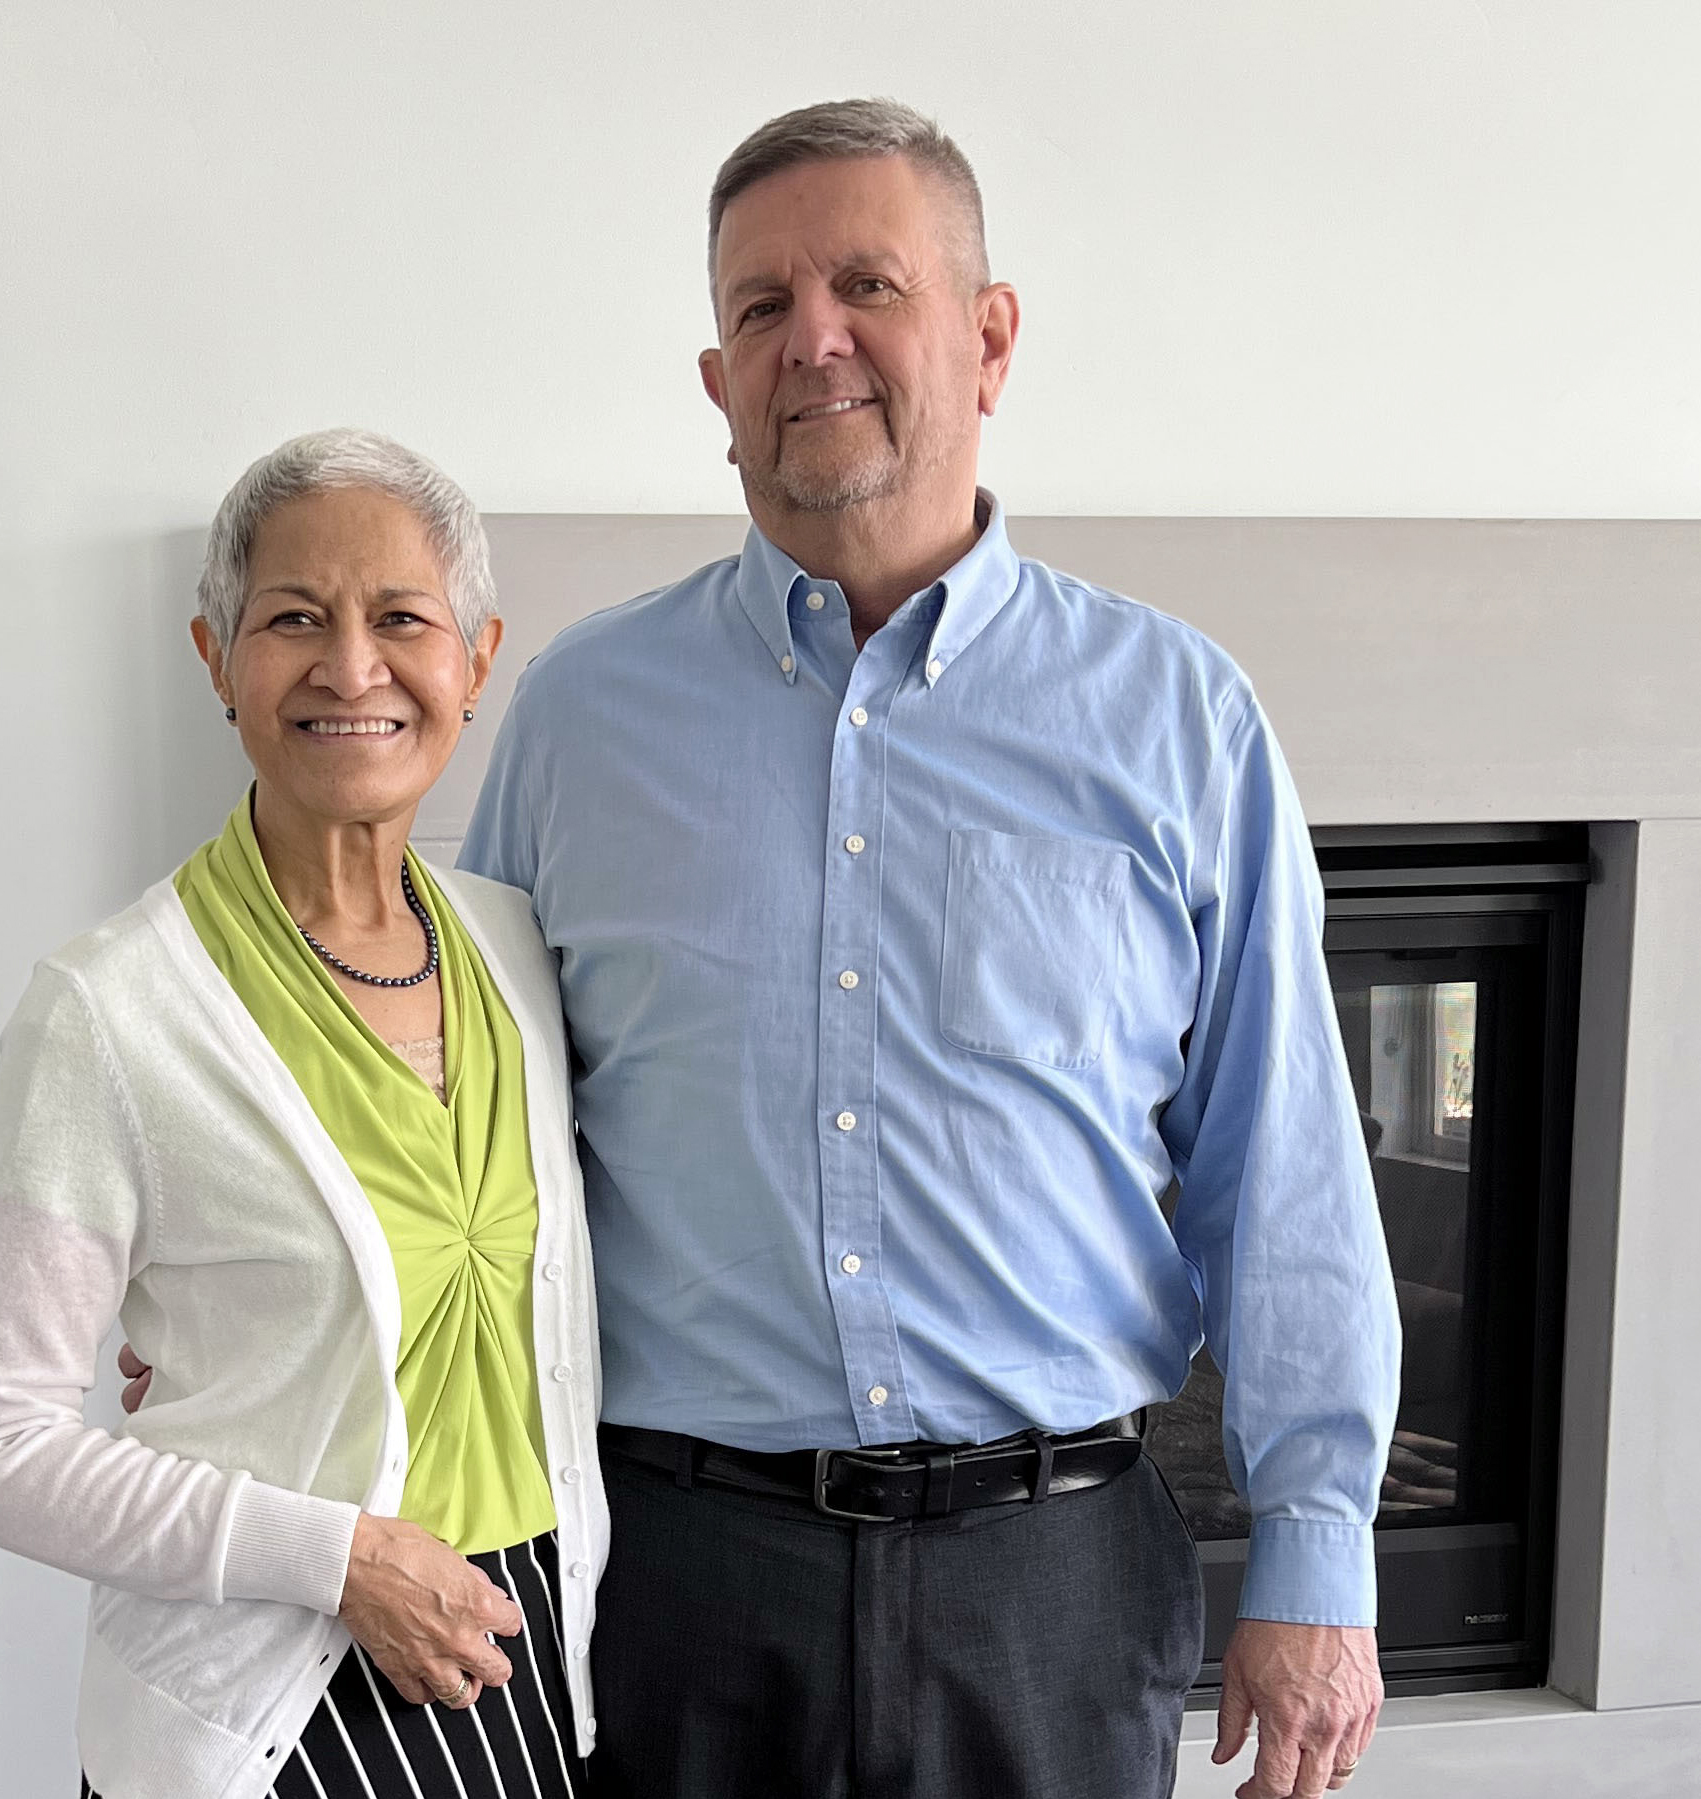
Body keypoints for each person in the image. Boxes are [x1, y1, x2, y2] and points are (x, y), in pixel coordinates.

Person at [457, 100, 1399, 1799]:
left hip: (1051, 1581)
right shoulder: (575, 724)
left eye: (864, 284)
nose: (809, 339)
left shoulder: (1178, 717)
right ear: (717, 383)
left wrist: (1318, 1562)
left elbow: (1285, 1165)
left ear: (988, 335)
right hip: (675, 1575)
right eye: (760, 307)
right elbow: (460, 1132)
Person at [0, 429, 607, 1799]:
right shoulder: (110, 1012)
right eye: (294, 619)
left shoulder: (520, 949)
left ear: (475, 662)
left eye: (401, 619)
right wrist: (337, 1556)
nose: (353, 669)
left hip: (533, 1677)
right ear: (217, 659)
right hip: (268, 1724)